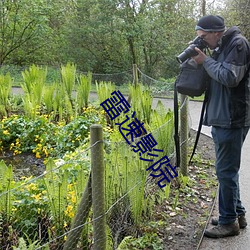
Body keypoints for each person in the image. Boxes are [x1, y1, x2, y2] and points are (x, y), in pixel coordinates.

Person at [192, 15, 250, 238]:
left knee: (225, 171)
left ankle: (228, 223)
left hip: (232, 118)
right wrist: (202, 60)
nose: (203, 41)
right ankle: (237, 214)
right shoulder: (221, 46)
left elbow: (229, 77)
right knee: (227, 171)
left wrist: (205, 61)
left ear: (216, 32)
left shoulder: (238, 44)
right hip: (222, 117)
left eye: (204, 37)